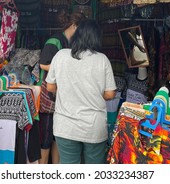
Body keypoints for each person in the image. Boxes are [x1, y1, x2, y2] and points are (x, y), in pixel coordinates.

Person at [45, 19, 117, 164]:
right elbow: (110, 94)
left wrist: (68, 89)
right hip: (93, 127)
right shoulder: (102, 59)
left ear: (76, 35)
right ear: (96, 38)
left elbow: (50, 87)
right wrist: (92, 92)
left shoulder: (60, 55)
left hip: (65, 126)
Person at [38, 10, 87, 164]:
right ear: (73, 26)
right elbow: (43, 64)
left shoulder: (71, 43)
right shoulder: (55, 41)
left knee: (57, 136)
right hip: (49, 95)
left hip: (61, 94)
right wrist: (67, 68)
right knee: (45, 138)